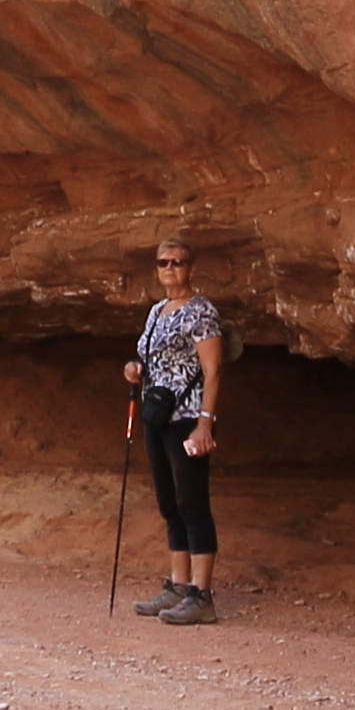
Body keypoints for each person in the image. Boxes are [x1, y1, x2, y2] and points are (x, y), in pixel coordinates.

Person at [124, 236, 224, 623]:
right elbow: (151, 360)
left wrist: (205, 424)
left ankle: (202, 596)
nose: (170, 269)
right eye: (163, 263)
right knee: (169, 502)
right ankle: (178, 586)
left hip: (186, 419)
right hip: (157, 416)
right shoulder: (157, 311)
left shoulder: (201, 311)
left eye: (178, 262)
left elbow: (213, 370)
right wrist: (134, 369)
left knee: (192, 501)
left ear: (190, 267)